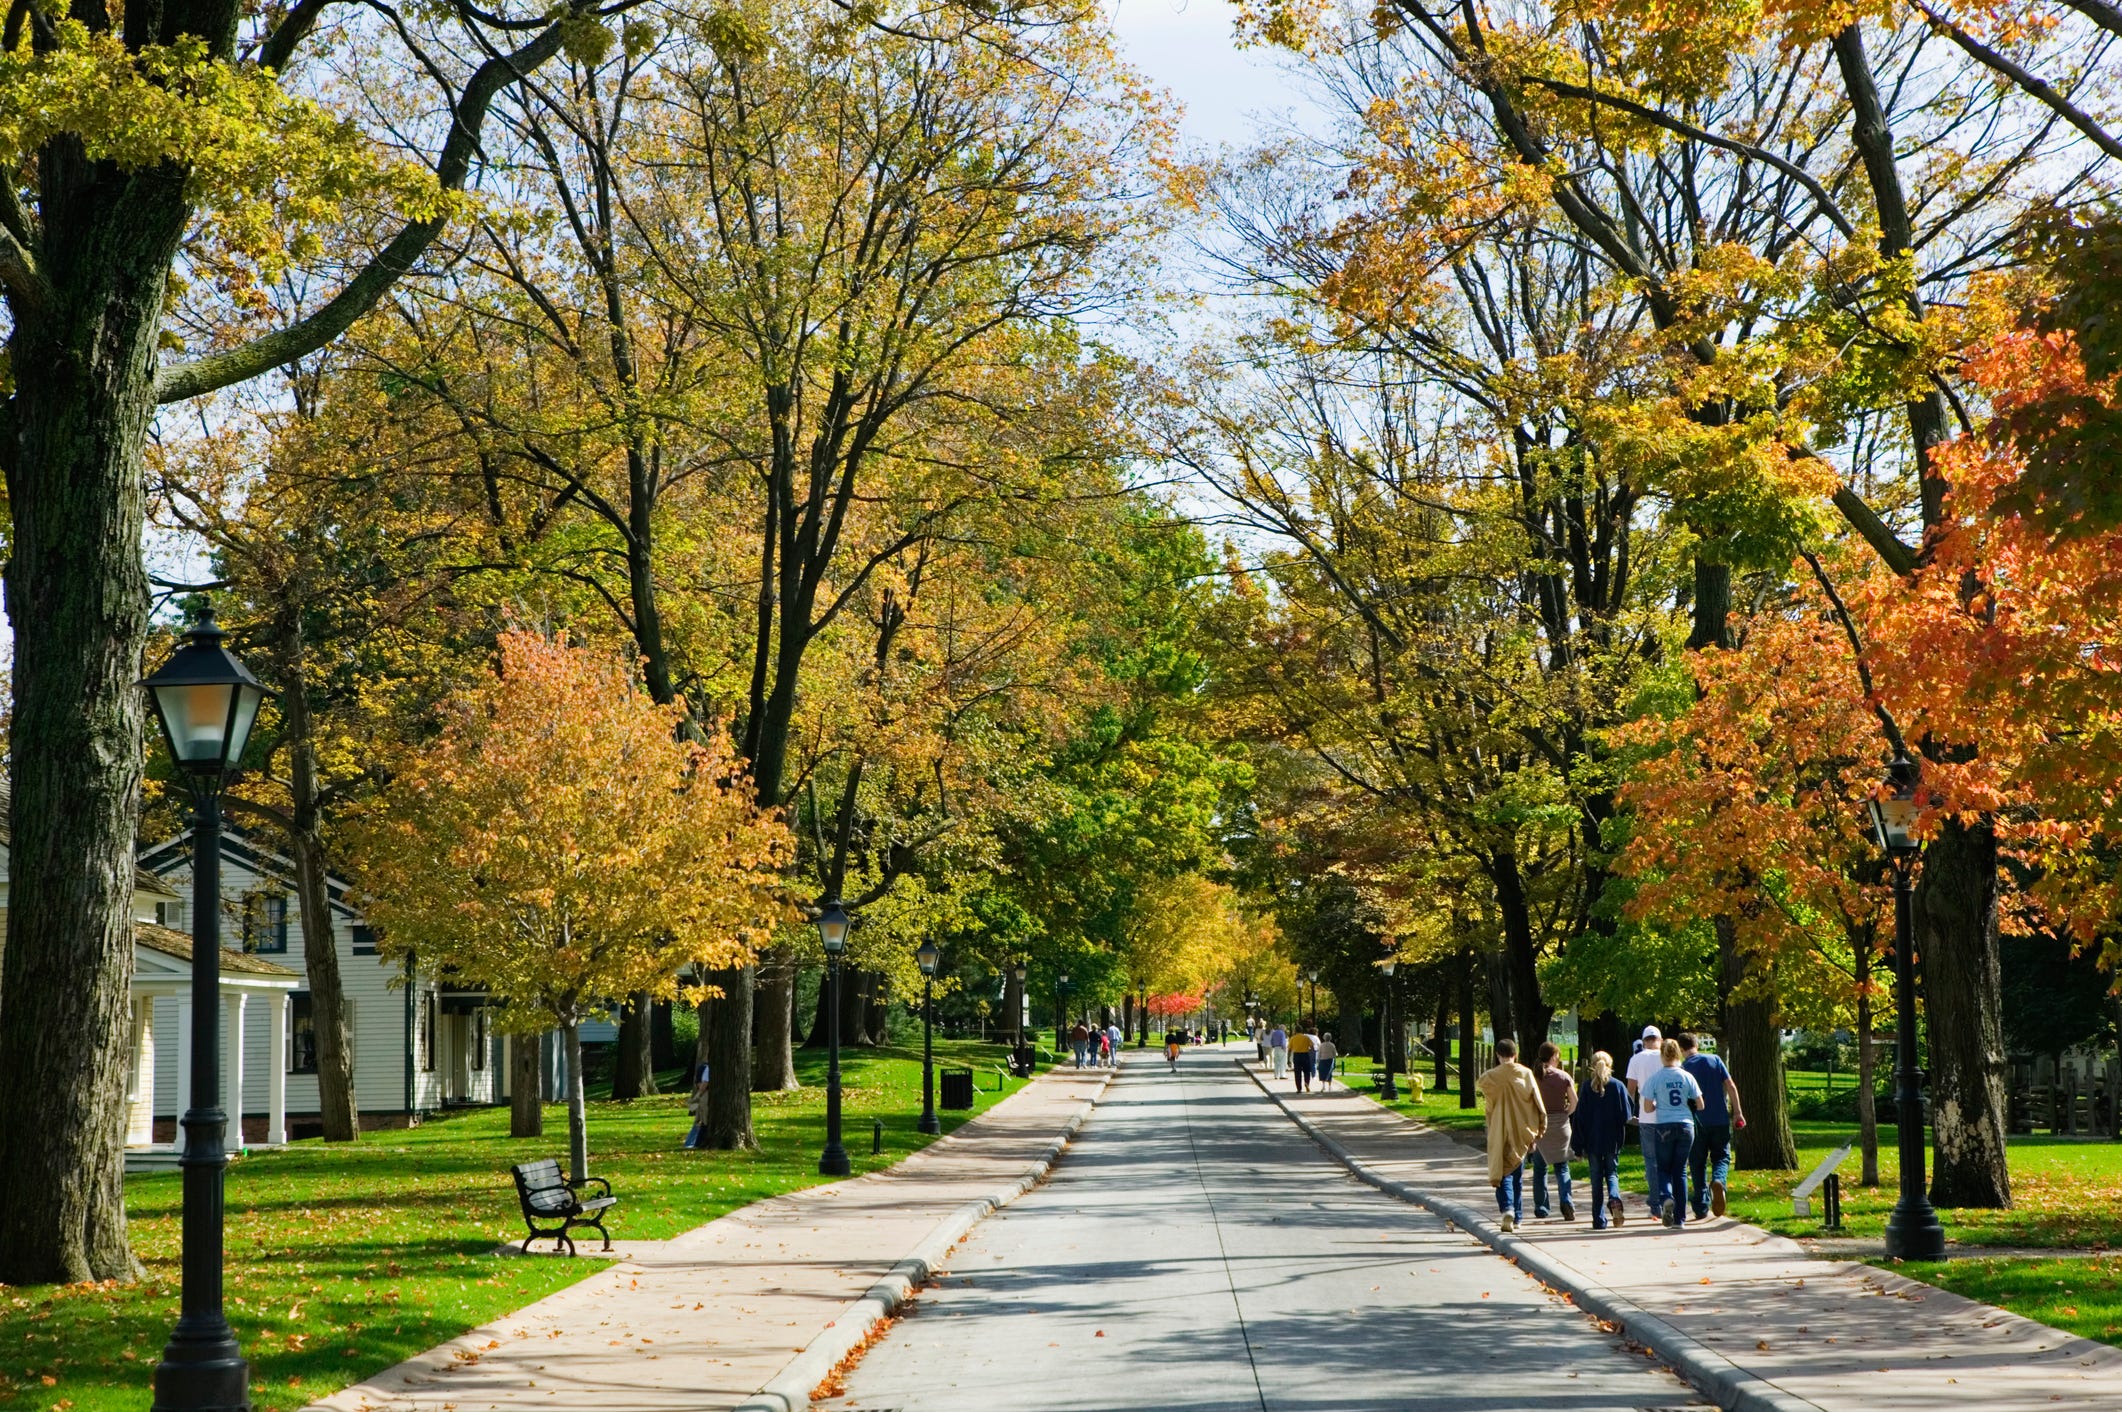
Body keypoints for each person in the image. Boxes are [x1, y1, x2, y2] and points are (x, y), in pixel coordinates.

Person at [1476, 1039, 1546, 1233]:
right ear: (1515, 1054)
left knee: (1503, 1171)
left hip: (1500, 1129)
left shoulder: (1490, 1077)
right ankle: (1518, 1217)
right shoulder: (1525, 1074)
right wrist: (1540, 1128)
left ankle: (1507, 1208)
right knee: (1517, 1174)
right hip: (1522, 1130)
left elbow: (1484, 1090)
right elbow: (1538, 1104)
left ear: (1498, 1055)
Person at [1678, 1033, 1746, 1219]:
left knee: (1697, 1162)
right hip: (1720, 1119)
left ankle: (1700, 1206)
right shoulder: (1715, 1060)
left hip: (1695, 1122)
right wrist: (1737, 1112)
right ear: (1697, 1044)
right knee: (1722, 1156)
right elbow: (1731, 1086)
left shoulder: (1683, 1068)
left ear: (1681, 1049)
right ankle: (1718, 1181)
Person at [1640, 1037, 1705, 1227]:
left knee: (1663, 1169)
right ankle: (1680, 1219)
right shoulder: (1687, 1076)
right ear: (1678, 1054)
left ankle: (1666, 1197)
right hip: (1685, 1126)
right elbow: (1701, 1104)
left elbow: (1648, 1108)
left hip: (1664, 1127)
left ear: (1662, 1055)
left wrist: (1658, 1103)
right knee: (1680, 1171)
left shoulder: (1656, 1078)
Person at [1571, 1051, 1632, 1228]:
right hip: (1612, 1140)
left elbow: (1579, 1118)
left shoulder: (1586, 1087)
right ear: (1610, 1065)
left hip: (1592, 1141)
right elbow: (1626, 1115)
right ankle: (1614, 1198)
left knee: (1596, 1178)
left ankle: (1598, 1219)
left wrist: (1577, 1146)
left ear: (1592, 1065)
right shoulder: (1618, 1086)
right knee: (1612, 1174)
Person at [1530, 1041, 1577, 1220]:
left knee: (1540, 1169)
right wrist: (1566, 1112)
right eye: (1557, 1056)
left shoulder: (1533, 1077)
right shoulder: (1563, 1077)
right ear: (1553, 1057)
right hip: (1561, 1125)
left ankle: (1541, 1207)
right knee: (1562, 1167)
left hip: (1541, 1125)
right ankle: (1566, 1200)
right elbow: (1574, 1102)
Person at [1625, 1025, 1666, 1208]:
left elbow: (1631, 1090)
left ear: (1644, 1042)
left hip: (1646, 1116)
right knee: (1669, 1158)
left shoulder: (1636, 1059)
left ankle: (1656, 1201)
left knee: (1651, 1160)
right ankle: (1669, 1195)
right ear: (1660, 1040)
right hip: (1668, 1115)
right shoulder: (1666, 1056)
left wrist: (1628, 1113)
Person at [682, 1063, 712, 1149]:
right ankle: (696, 1143)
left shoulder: (705, 1067)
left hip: (703, 1095)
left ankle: (691, 1143)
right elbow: (704, 1084)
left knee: (700, 1121)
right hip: (705, 1095)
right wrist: (698, 1096)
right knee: (703, 1121)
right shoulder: (707, 1068)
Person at [1289, 1024, 1317, 1092]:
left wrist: (1288, 1059)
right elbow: (1312, 1046)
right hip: (1305, 1055)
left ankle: (1299, 1088)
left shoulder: (1293, 1038)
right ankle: (1307, 1083)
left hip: (1297, 1055)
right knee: (1307, 1071)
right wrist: (1311, 1052)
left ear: (1295, 1031)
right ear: (1301, 1030)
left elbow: (1289, 1049)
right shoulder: (1306, 1037)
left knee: (1297, 1073)